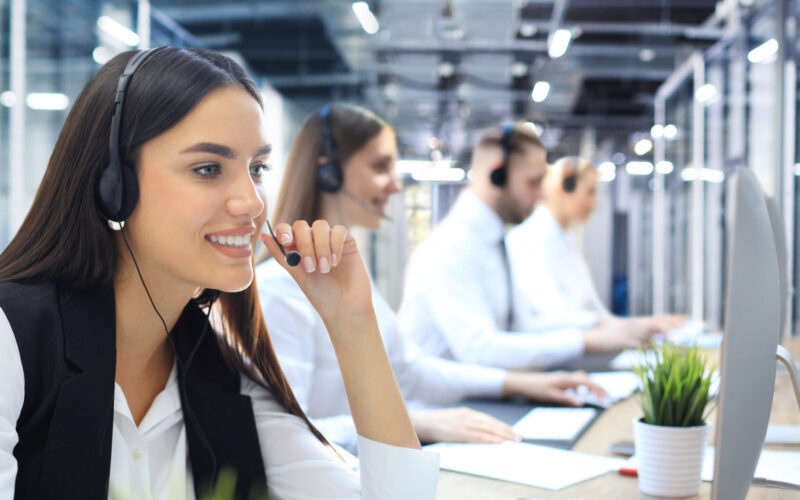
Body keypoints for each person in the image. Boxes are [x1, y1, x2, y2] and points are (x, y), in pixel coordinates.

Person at [0, 47, 438, 499]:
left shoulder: (218, 372)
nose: (251, 202)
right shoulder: (13, 342)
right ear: (114, 187)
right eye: (208, 169)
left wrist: (352, 323)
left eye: (257, 169)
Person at [257, 104, 606, 453]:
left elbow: (409, 370)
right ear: (329, 173)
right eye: (381, 166)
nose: (396, 184)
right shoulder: (279, 289)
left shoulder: (346, 275)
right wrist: (417, 423)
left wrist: (521, 384)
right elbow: (284, 435)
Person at [398, 123, 662, 371]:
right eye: (533, 182)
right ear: (497, 175)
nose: (541, 194)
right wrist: (586, 339)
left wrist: (605, 330)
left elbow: (526, 325)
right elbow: (478, 350)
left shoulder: (495, 242)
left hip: (476, 401)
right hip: (440, 410)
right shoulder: (450, 246)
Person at [506, 157, 684, 333]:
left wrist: (641, 324)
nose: (595, 201)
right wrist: (633, 326)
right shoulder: (529, 239)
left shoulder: (565, 238)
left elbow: (593, 309)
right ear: (563, 188)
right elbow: (554, 316)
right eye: (590, 192)